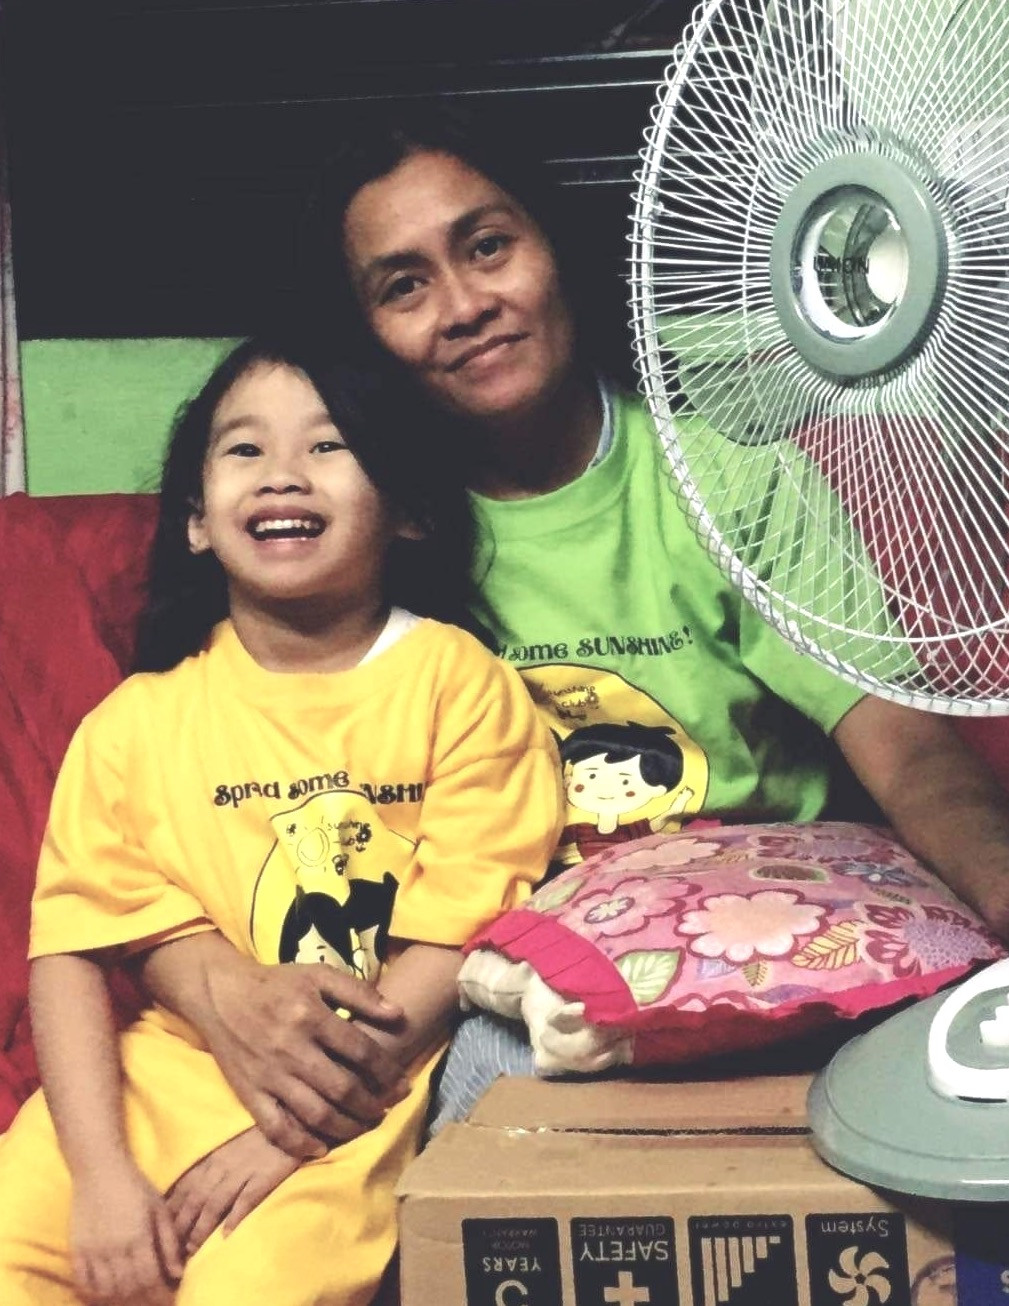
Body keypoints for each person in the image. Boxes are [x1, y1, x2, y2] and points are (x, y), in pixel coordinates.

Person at [138, 103, 1009, 1183]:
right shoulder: (368, 531)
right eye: (403, 285)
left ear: (553, 248)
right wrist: (209, 980)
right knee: (471, 1129)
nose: (464, 306)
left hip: (783, 942)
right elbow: (216, 794)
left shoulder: (727, 480)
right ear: (362, 335)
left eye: (487, 246)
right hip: (525, 986)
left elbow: (908, 750)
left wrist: (996, 882)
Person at [0, 334, 562, 1305]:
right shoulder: (135, 723)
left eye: (328, 445)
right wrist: (99, 1180)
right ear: (195, 521)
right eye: (244, 449)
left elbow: (453, 942)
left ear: (410, 510)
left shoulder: (458, 685)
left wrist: (288, 1137)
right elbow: (70, 954)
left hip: (350, 1106)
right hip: (145, 1089)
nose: (282, 474)